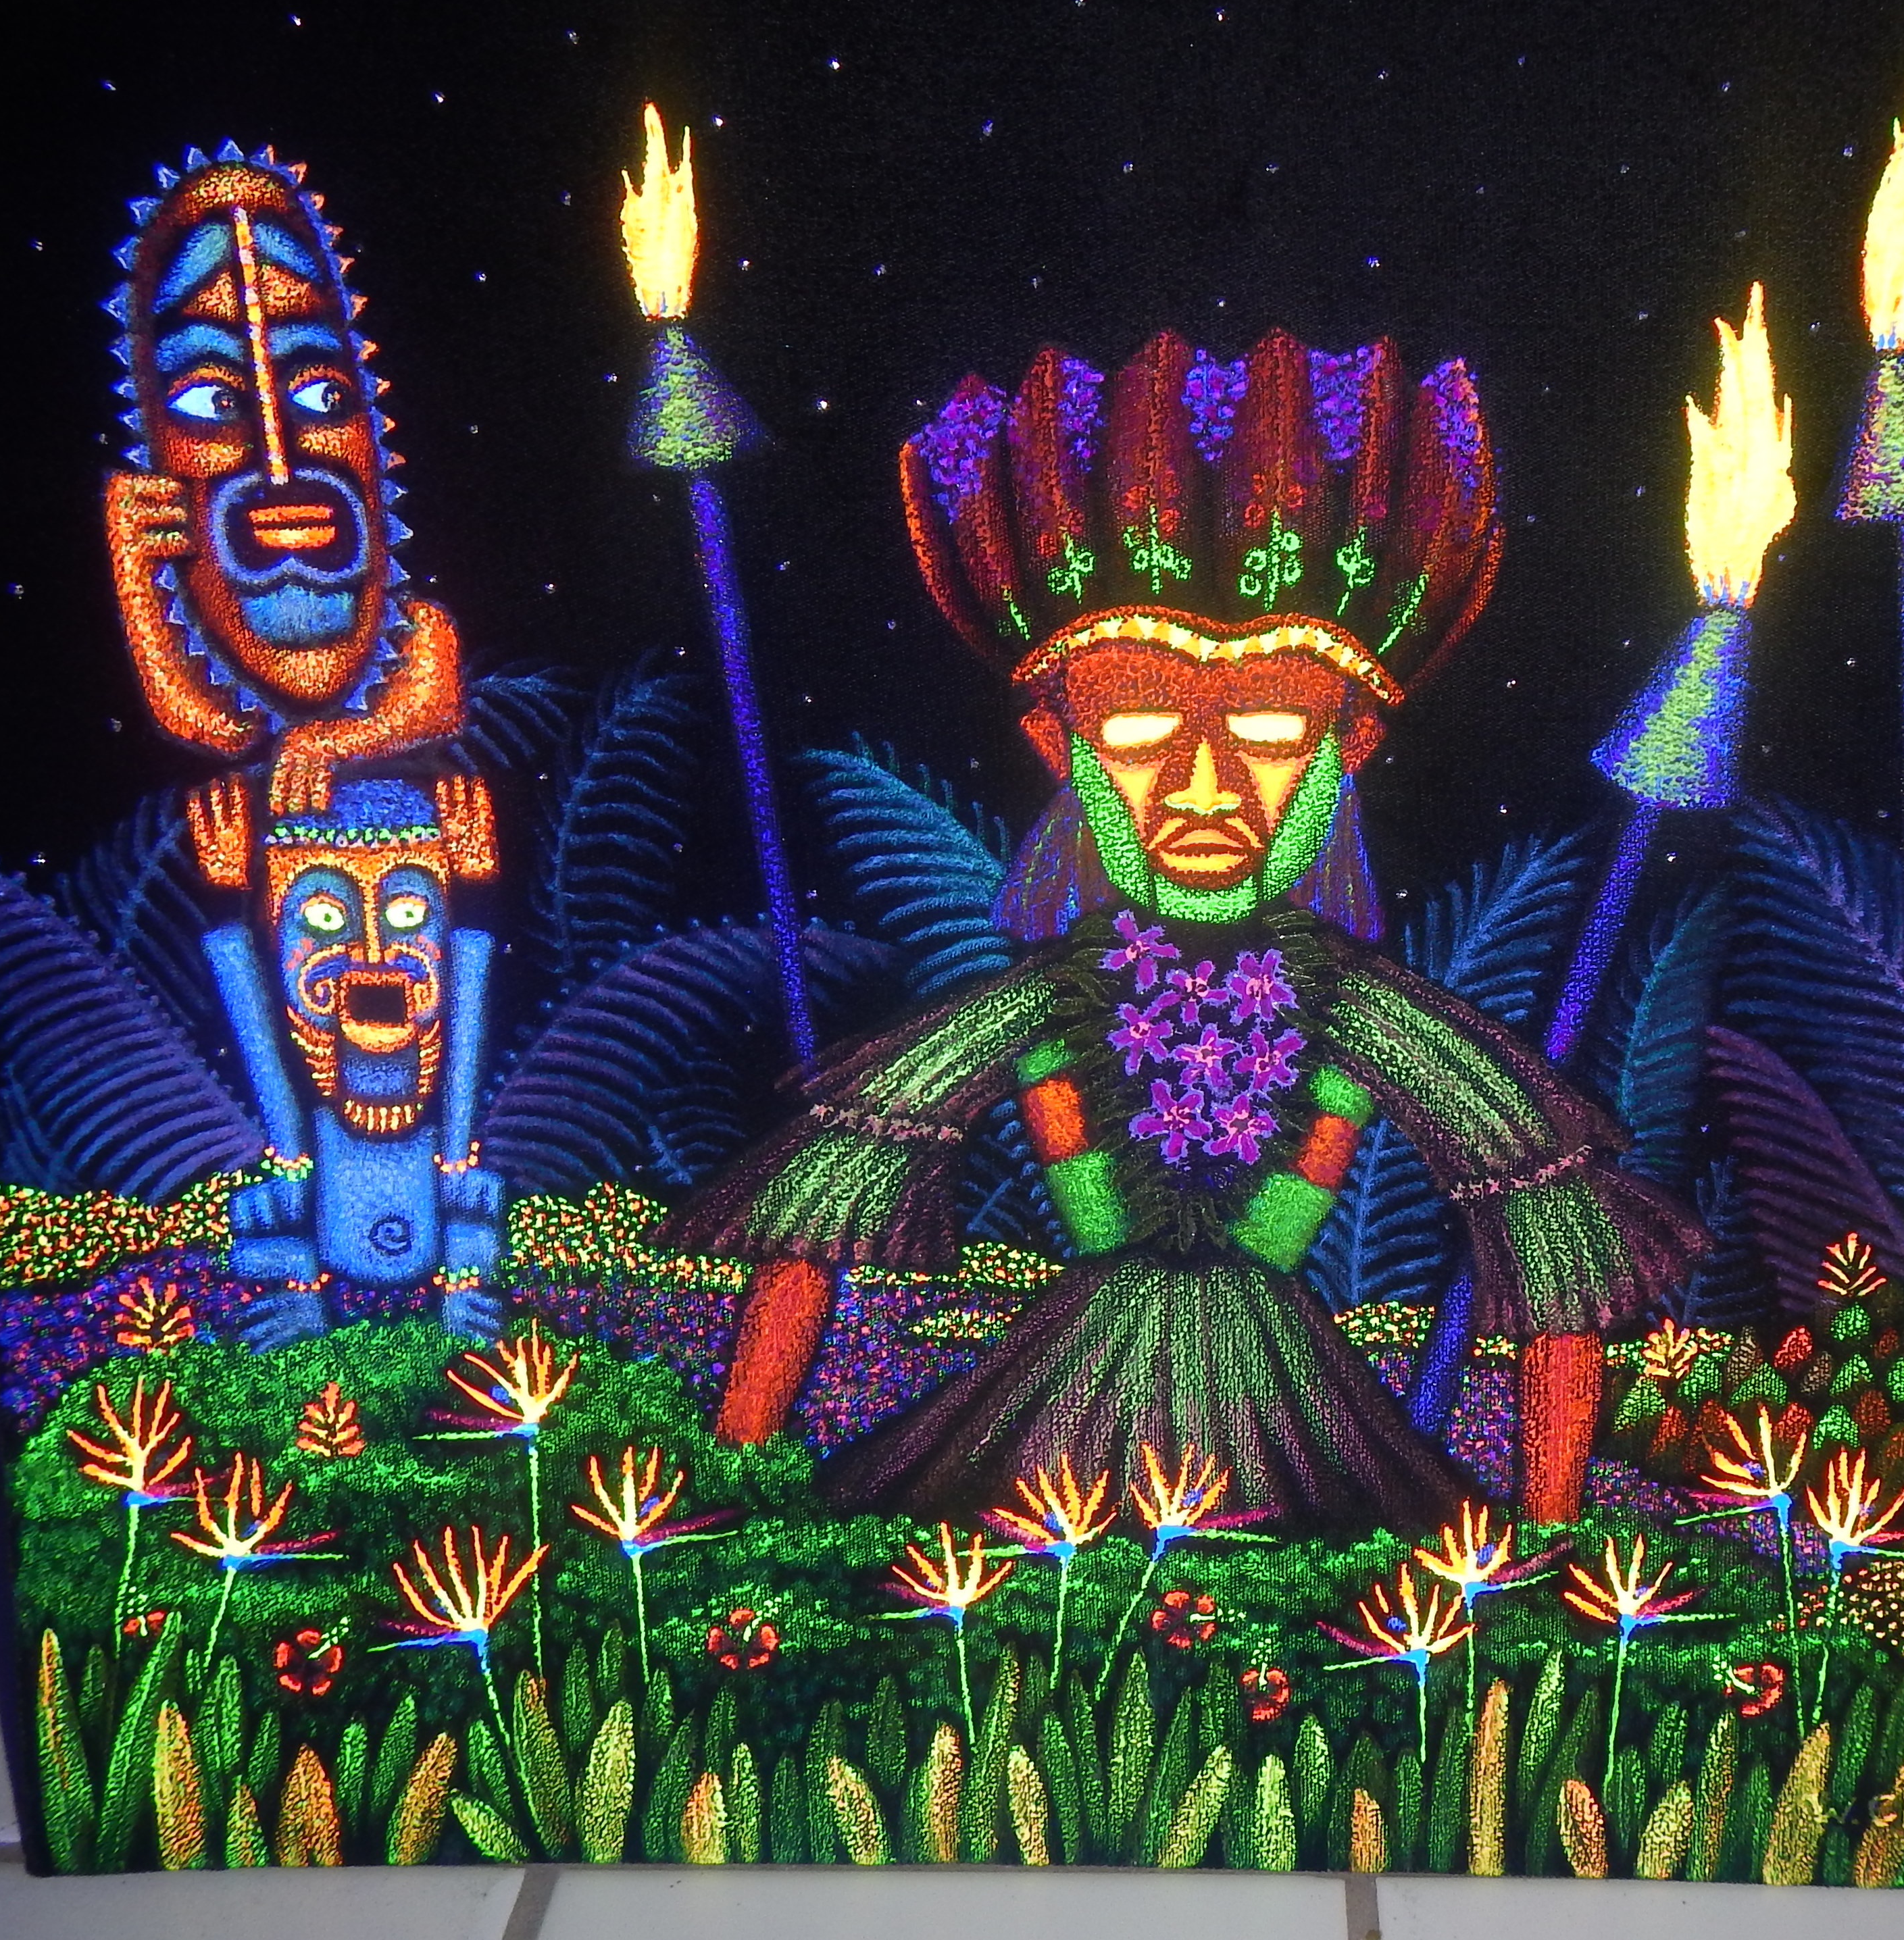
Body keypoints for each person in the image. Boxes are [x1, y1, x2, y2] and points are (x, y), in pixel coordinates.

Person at [668, 329, 1703, 1528]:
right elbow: (816, 1219)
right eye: (1141, 735)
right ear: (1060, 747)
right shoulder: (1045, 1002)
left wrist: (1553, 1533)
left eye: (1266, 737)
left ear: (1348, 749)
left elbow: (1553, 1253)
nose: (1203, 789)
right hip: (1061, 1402)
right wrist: (734, 1468)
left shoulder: (1362, 1011)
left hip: (1291, 1416)